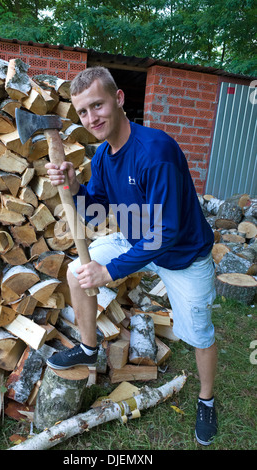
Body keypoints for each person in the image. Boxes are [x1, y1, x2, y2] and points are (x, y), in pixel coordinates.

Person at [45, 66, 218, 446]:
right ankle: (90, 349)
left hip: (183, 255)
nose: (91, 119)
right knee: (78, 271)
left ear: (119, 99)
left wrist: (109, 273)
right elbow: (94, 211)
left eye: (97, 106)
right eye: (83, 112)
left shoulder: (155, 152)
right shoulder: (106, 155)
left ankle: (206, 399)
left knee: (199, 334)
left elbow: (166, 233)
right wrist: (74, 185)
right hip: (138, 238)